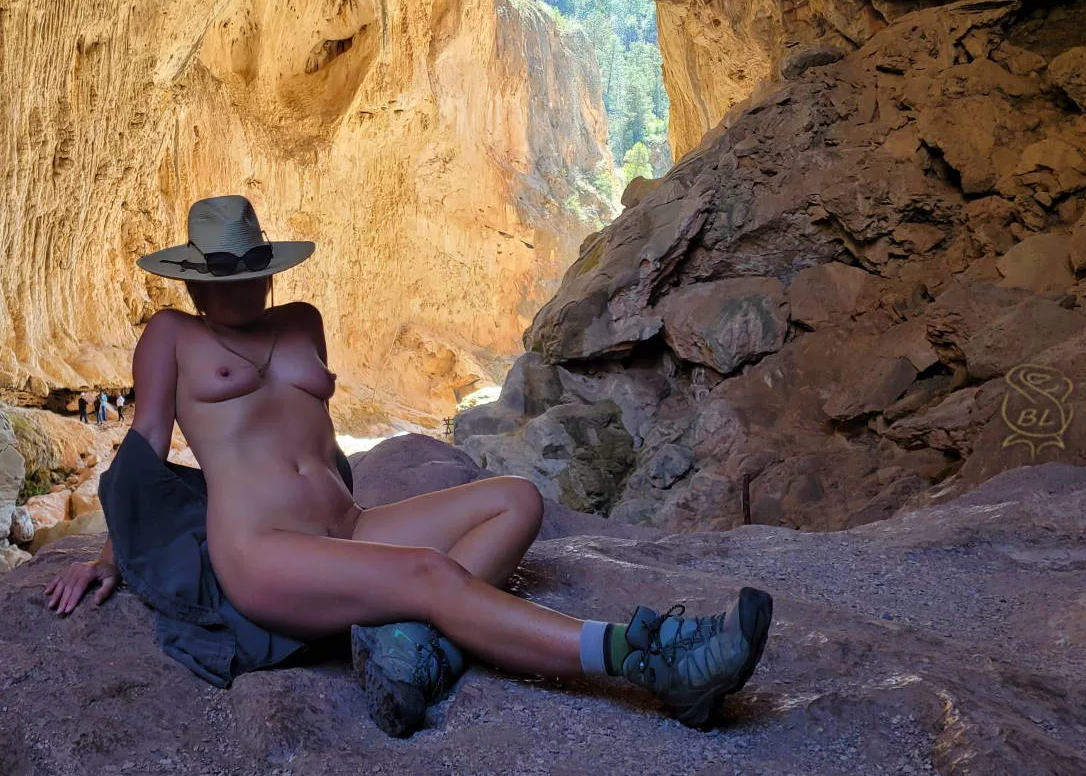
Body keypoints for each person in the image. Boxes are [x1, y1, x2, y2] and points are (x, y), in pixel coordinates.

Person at [45, 196, 772, 735]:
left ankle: (412, 646)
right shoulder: (169, 335)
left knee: (516, 499)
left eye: (250, 275)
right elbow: (142, 452)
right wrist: (114, 554)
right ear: (193, 282)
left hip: (349, 524)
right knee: (429, 575)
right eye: (220, 280)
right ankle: (645, 659)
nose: (237, 290)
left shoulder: (302, 320)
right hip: (261, 551)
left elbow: (314, 443)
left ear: (269, 270)